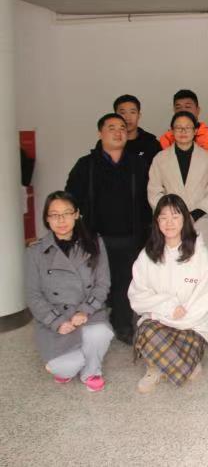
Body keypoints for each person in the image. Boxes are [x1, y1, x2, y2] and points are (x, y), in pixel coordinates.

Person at [66, 113, 151, 344]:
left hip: (130, 237)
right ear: (100, 133)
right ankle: (93, 326)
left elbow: (147, 201)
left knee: (125, 283)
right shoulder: (86, 165)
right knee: (95, 284)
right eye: (111, 128)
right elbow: (71, 199)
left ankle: (123, 326)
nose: (118, 132)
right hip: (95, 237)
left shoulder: (137, 164)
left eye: (122, 128)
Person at [25, 191, 113, 392]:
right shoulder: (35, 252)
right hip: (56, 319)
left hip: (88, 313)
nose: (61, 220)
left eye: (66, 213)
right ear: (47, 219)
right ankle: (78, 360)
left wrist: (84, 311)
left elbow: (102, 284)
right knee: (63, 368)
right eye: (54, 215)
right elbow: (33, 295)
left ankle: (92, 371)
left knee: (100, 333)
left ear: (76, 214)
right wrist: (56, 322)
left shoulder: (94, 242)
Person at [128, 195, 208, 393]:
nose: (169, 223)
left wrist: (172, 319)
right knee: (147, 331)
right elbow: (137, 296)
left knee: (155, 336)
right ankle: (165, 366)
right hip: (160, 323)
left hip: (191, 325)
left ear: (185, 219)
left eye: (175, 217)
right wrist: (167, 308)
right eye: (163, 217)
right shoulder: (147, 255)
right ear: (156, 221)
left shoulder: (201, 255)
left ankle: (164, 361)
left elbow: (204, 303)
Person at [147, 111, 208, 251]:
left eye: (187, 127)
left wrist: (195, 214)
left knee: (201, 261)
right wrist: (171, 215)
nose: (183, 131)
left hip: (199, 220)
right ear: (171, 131)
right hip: (170, 224)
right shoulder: (160, 158)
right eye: (178, 127)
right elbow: (154, 192)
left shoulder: (207, 157)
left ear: (195, 131)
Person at [113, 94, 161, 169]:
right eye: (123, 113)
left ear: (139, 115)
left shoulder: (151, 143)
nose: (128, 118)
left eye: (132, 112)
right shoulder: (107, 143)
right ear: (115, 116)